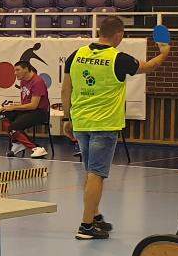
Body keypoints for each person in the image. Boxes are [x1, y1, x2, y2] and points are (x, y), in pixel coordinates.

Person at [64, 16, 171, 240]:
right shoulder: (118, 59)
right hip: (104, 125)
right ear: (119, 35)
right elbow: (149, 67)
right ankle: (86, 226)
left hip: (80, 122)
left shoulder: (76, 55)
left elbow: (66, 88)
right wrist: (164, 52)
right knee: (96, 173)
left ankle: (95, 215)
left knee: (90, 172)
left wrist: (67, 118)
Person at [0, 61, 51, 158]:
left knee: (13, 127)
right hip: (28, 110)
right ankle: (18, 142)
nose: (15, 73)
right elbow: (25, 103)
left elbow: (33, 105)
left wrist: (13, 107)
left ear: (26, 69)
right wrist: (11, 107)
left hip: (40, 112)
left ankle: (36, 148)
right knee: (4, 113)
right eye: (14, 70)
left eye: (18, 70)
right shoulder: (23, 81)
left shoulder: (37, 82)